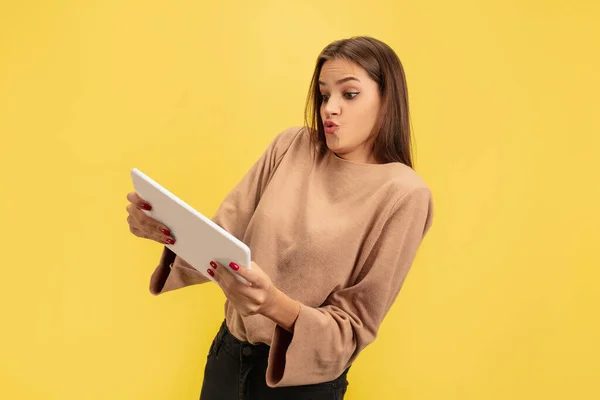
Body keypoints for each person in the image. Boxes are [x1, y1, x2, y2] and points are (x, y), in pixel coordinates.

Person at [126, 36, 434, 400]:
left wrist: (273, 304)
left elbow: (354, 328)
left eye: (348, 94)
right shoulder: (292, 146)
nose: (329, 109)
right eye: (323, 95)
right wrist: (165, 230)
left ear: (387, 101)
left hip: (300, 386)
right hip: (228, 358)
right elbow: (223, 235)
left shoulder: (404, 194)